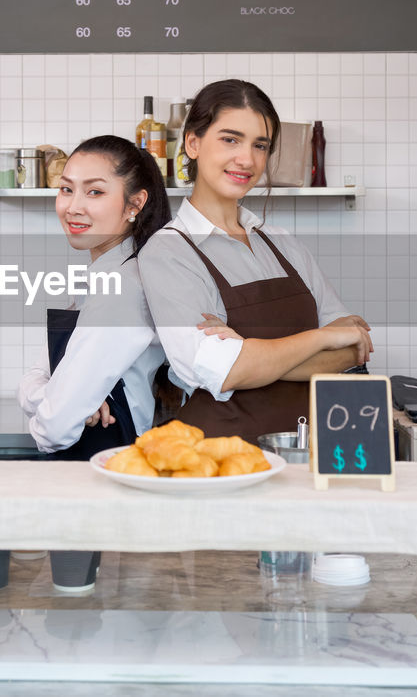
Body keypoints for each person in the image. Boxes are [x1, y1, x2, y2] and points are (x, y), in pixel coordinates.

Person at [138, 79, 372, 442]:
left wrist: (251, 351)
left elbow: (354, 348)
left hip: (308, 452)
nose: (247, 160)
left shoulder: (280, 243)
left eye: (259, 145)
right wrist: (322, 338)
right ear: (193, 143)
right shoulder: (168, 252)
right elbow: (224, 371)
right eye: (230, 139)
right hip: (223, 462)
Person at [19, 135, 171, 459]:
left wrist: (62, 404)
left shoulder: (124, 289)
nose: (73, 207)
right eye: (66, 189)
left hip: (109, 468)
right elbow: (31, 381)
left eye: (95, 192)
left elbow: (54, 429)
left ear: (135, 204)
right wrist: (65, 398)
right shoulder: (102, 279)